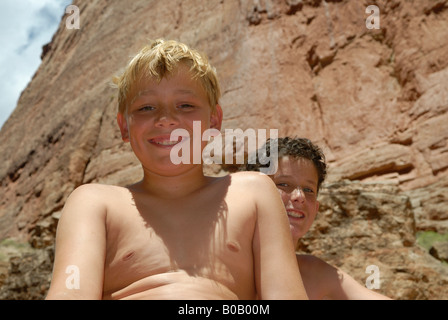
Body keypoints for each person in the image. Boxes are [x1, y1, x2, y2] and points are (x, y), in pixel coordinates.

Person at [45, 39, 307, 300]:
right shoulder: (94, 203)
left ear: (214, 120)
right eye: (146, 108)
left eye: (185, 106)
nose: (166, 119)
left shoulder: (255, 192)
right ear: (124, 126)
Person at [244, 137, 391, 300]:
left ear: (316, 209)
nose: (299, 196)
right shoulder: (226, 265)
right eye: (284, 184)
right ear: (253, 194)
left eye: (308, 189)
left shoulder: (316, 274)